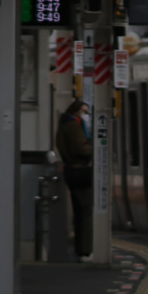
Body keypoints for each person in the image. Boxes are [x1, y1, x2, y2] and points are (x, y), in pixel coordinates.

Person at [55, 99, 93, 260]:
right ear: (76, 111)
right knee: (86, 211)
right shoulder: (73, 126)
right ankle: (85, 248)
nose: (85, 115)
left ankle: (81, 247)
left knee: (79, 211)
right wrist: (95, 149)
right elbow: (81, 149)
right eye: (83, 111)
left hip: (72, 171)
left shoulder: (64, 124)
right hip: (80, 171)